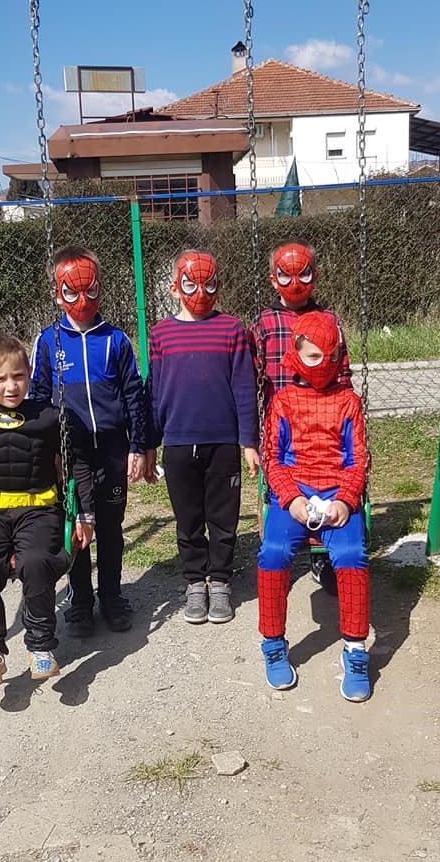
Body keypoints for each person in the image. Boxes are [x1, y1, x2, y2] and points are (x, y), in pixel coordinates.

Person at [0, 334, 95, 690]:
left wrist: (83, 515)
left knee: (37, 561)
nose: (11, 386)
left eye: (18, 376)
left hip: (39, 509)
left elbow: (77, 466)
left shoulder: (50, 418)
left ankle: (40, 645)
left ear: (29, 374)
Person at [29, 246, 146, 637]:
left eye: (90, 290)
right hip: (69, 454)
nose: (82, 300)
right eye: (72, 291)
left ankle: (111, 595)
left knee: (110, 528)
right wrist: (45, 455)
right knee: (75, 526)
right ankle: (80, 600)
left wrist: (138, 446)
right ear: (56, 293)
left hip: (112, 449)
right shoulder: (48, 342)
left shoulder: (115, 340)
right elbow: (38, 400)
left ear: (101, 288)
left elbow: (134, 395)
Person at [257, 309, 371, 702]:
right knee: (273, 552)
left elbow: (358, 460)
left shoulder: (348, 402)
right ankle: (273, 643)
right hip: (295, 491)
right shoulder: (283, 402)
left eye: (329, 356)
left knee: (352, 555)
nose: (322, 364)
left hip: (337, 490)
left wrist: (346, 500)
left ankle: (355, 649)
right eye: (312, 356)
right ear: (296, 354)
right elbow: (273, 460)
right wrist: (291, 499)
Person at [146, 250, 259, 625]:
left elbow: (244, 387)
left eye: (209, 285)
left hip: (223, 443)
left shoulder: (232, 329)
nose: (201, 292)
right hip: (178, 443)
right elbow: (154, 392)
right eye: (191, 284)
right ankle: (196, 581)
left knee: (223, 517)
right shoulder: (161, 333)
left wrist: (248, 442)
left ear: (219, 286)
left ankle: (221, 580)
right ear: (174, 288)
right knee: (188, 517)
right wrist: (149, 444)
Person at [248, 239, 352, 594]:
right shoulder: (264, 323)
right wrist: (252, 439)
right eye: (286, 276)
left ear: (315, 275)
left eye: (303, 275)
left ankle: (325, 556)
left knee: (329, 480)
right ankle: (284, 547)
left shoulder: (329, 321)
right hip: (282, 426)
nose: (295, 284)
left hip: (325, 422)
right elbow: (252, 378)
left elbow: (343, 373)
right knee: (283, 490)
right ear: (273, 279)